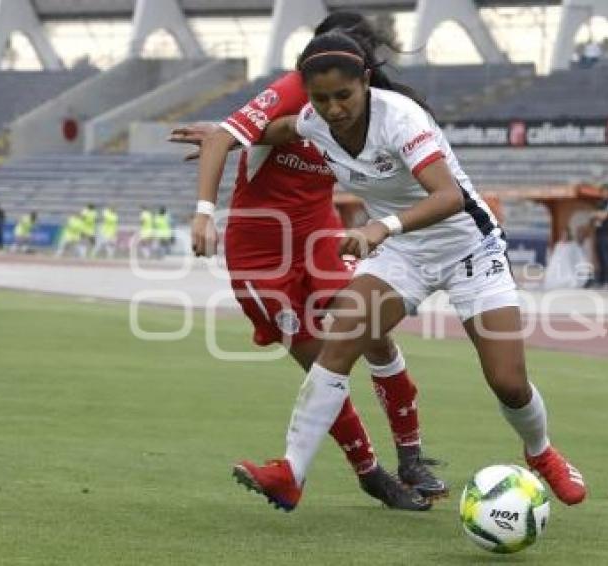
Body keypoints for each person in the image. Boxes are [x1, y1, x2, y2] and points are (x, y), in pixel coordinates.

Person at [203, 30, 587, 512]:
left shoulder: (400, 118)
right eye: (322, 99)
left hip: (468, 245)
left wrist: (379, 228)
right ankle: (291, 473)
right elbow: (276, 130)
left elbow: (448, 198)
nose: (334, 108)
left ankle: (540, 452)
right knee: (342, 338)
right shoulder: (313, 120)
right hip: (403, 252)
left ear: (365, 81)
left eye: (343, 96)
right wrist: (224, 136)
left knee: (507, 381)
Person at [170, 12, 445, 511]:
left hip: (320, 235)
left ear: (361, 71)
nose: (329, 95)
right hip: (261, 253)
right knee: (321, 360)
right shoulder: (297, 89)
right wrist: (204, 213)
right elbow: (230, 136)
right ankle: (369, 471)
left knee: (373, 332)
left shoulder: (377, 108)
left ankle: (412, 456)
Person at [591, 184, 608, 289]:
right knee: (600, 257)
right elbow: (592, 216)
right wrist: (597, 214)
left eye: (606, 191)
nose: (604, 193)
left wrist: (597, 214)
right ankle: (601, 280)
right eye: (602, 191)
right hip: (598, 232)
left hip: (607, 233)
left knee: (607, 257)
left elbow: (605, 216)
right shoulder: (599, 203)